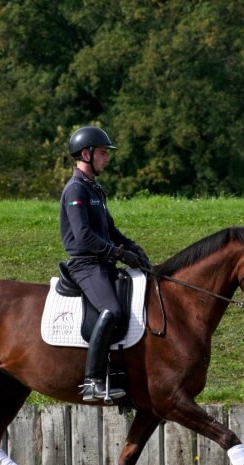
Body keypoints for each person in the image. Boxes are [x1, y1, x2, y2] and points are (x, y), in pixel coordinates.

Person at [60, 126, 151, 401]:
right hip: (86, 265)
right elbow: (84, 236)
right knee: (111, 310)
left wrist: (132, 246)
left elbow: (109, 229)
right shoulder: (76, 189)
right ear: (85, 154)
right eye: (102, 153)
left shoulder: (94, 189)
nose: (106, 158)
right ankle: (92, 381)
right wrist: (120, 254)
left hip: (103, 262)